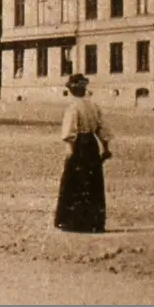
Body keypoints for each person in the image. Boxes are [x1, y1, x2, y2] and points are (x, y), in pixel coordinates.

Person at [54, 73, 113, 234]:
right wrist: (105, 148)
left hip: (79, 146)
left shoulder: (73, 108)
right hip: (92, 146)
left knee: (75, 183)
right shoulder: (93, 107)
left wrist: (70, 152)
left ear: (72, 91)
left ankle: (74, 222)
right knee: (93, 183)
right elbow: (102, 129)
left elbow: (69, 133)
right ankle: (94, 222)